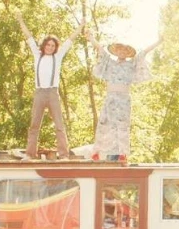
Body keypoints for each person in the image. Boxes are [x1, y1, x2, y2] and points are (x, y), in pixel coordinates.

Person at [15, 12, 84, 160]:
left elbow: (70, 40)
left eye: (53, 45)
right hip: (40, 92)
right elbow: (28, 37)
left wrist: (81, 26)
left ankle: (64, 154)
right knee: (34, 124)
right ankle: (29, 153)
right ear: (44, 45)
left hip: (53, 93)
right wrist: (20, 20)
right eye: (48, 45)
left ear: (55, 47)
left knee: (59, 124)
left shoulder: (57, 56)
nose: (50, 47)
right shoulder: (37, 54)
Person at [86, 30, 162, 160]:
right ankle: (97, 151)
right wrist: (91, 38)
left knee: (122, 125)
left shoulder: (131, 64)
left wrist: (158, 42)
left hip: (123, 99)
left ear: (128, 54)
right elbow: (100, 49)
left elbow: (144, 52)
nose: (122, 53)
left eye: (125, 51)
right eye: (120, 50)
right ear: (116, 51)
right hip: (111, 98)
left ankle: (122, 153)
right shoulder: (110, 62)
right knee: (105, 122)